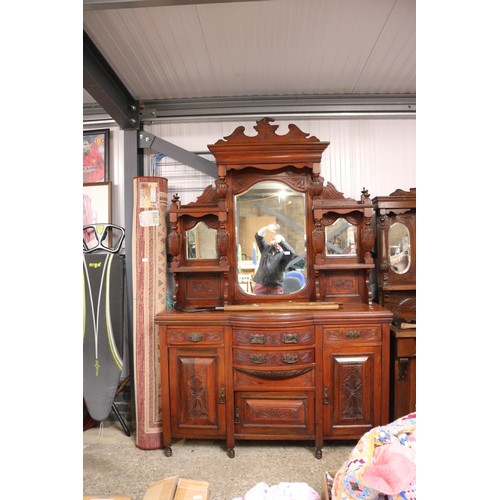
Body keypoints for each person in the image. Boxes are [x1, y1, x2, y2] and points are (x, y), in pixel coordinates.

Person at [253, 223, 295, 295]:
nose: (275, 242)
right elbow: (258, 236)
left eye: (278, 241)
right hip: (260, 286)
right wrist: (266, 228)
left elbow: (291, 252)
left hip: (275, 289)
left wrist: (280, 241)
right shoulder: (265, 249)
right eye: (273, 240)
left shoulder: (284, 255)